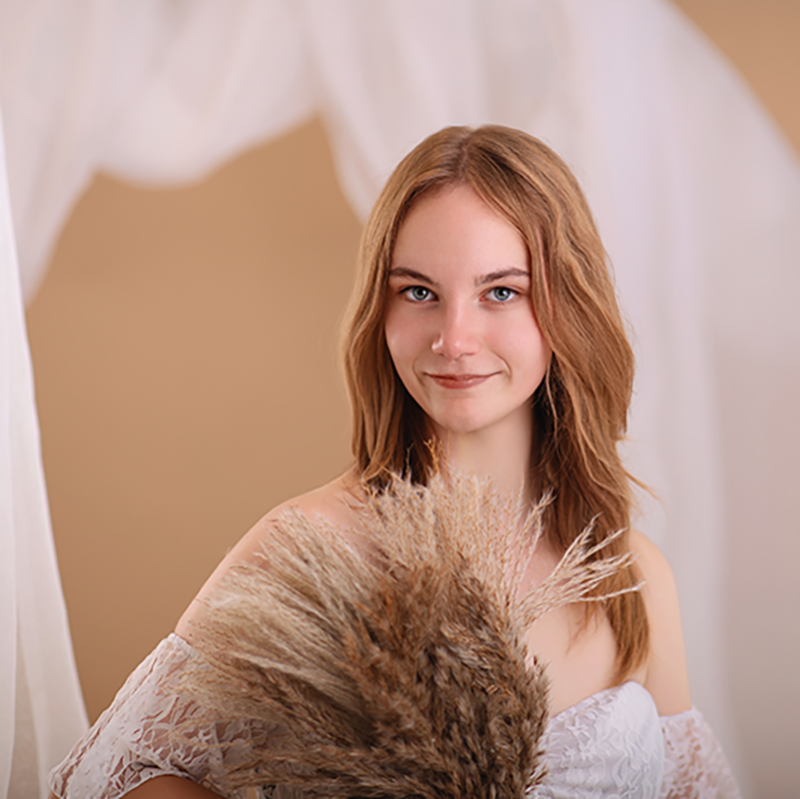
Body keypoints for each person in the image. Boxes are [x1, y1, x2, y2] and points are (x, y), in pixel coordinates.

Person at [48, 125, 739, 798]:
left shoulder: (631, 577)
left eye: (502, 291)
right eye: (418, 291)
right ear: (380, 310)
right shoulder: (311, 547)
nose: (453, 338)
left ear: (568, 307)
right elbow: (109, 780)